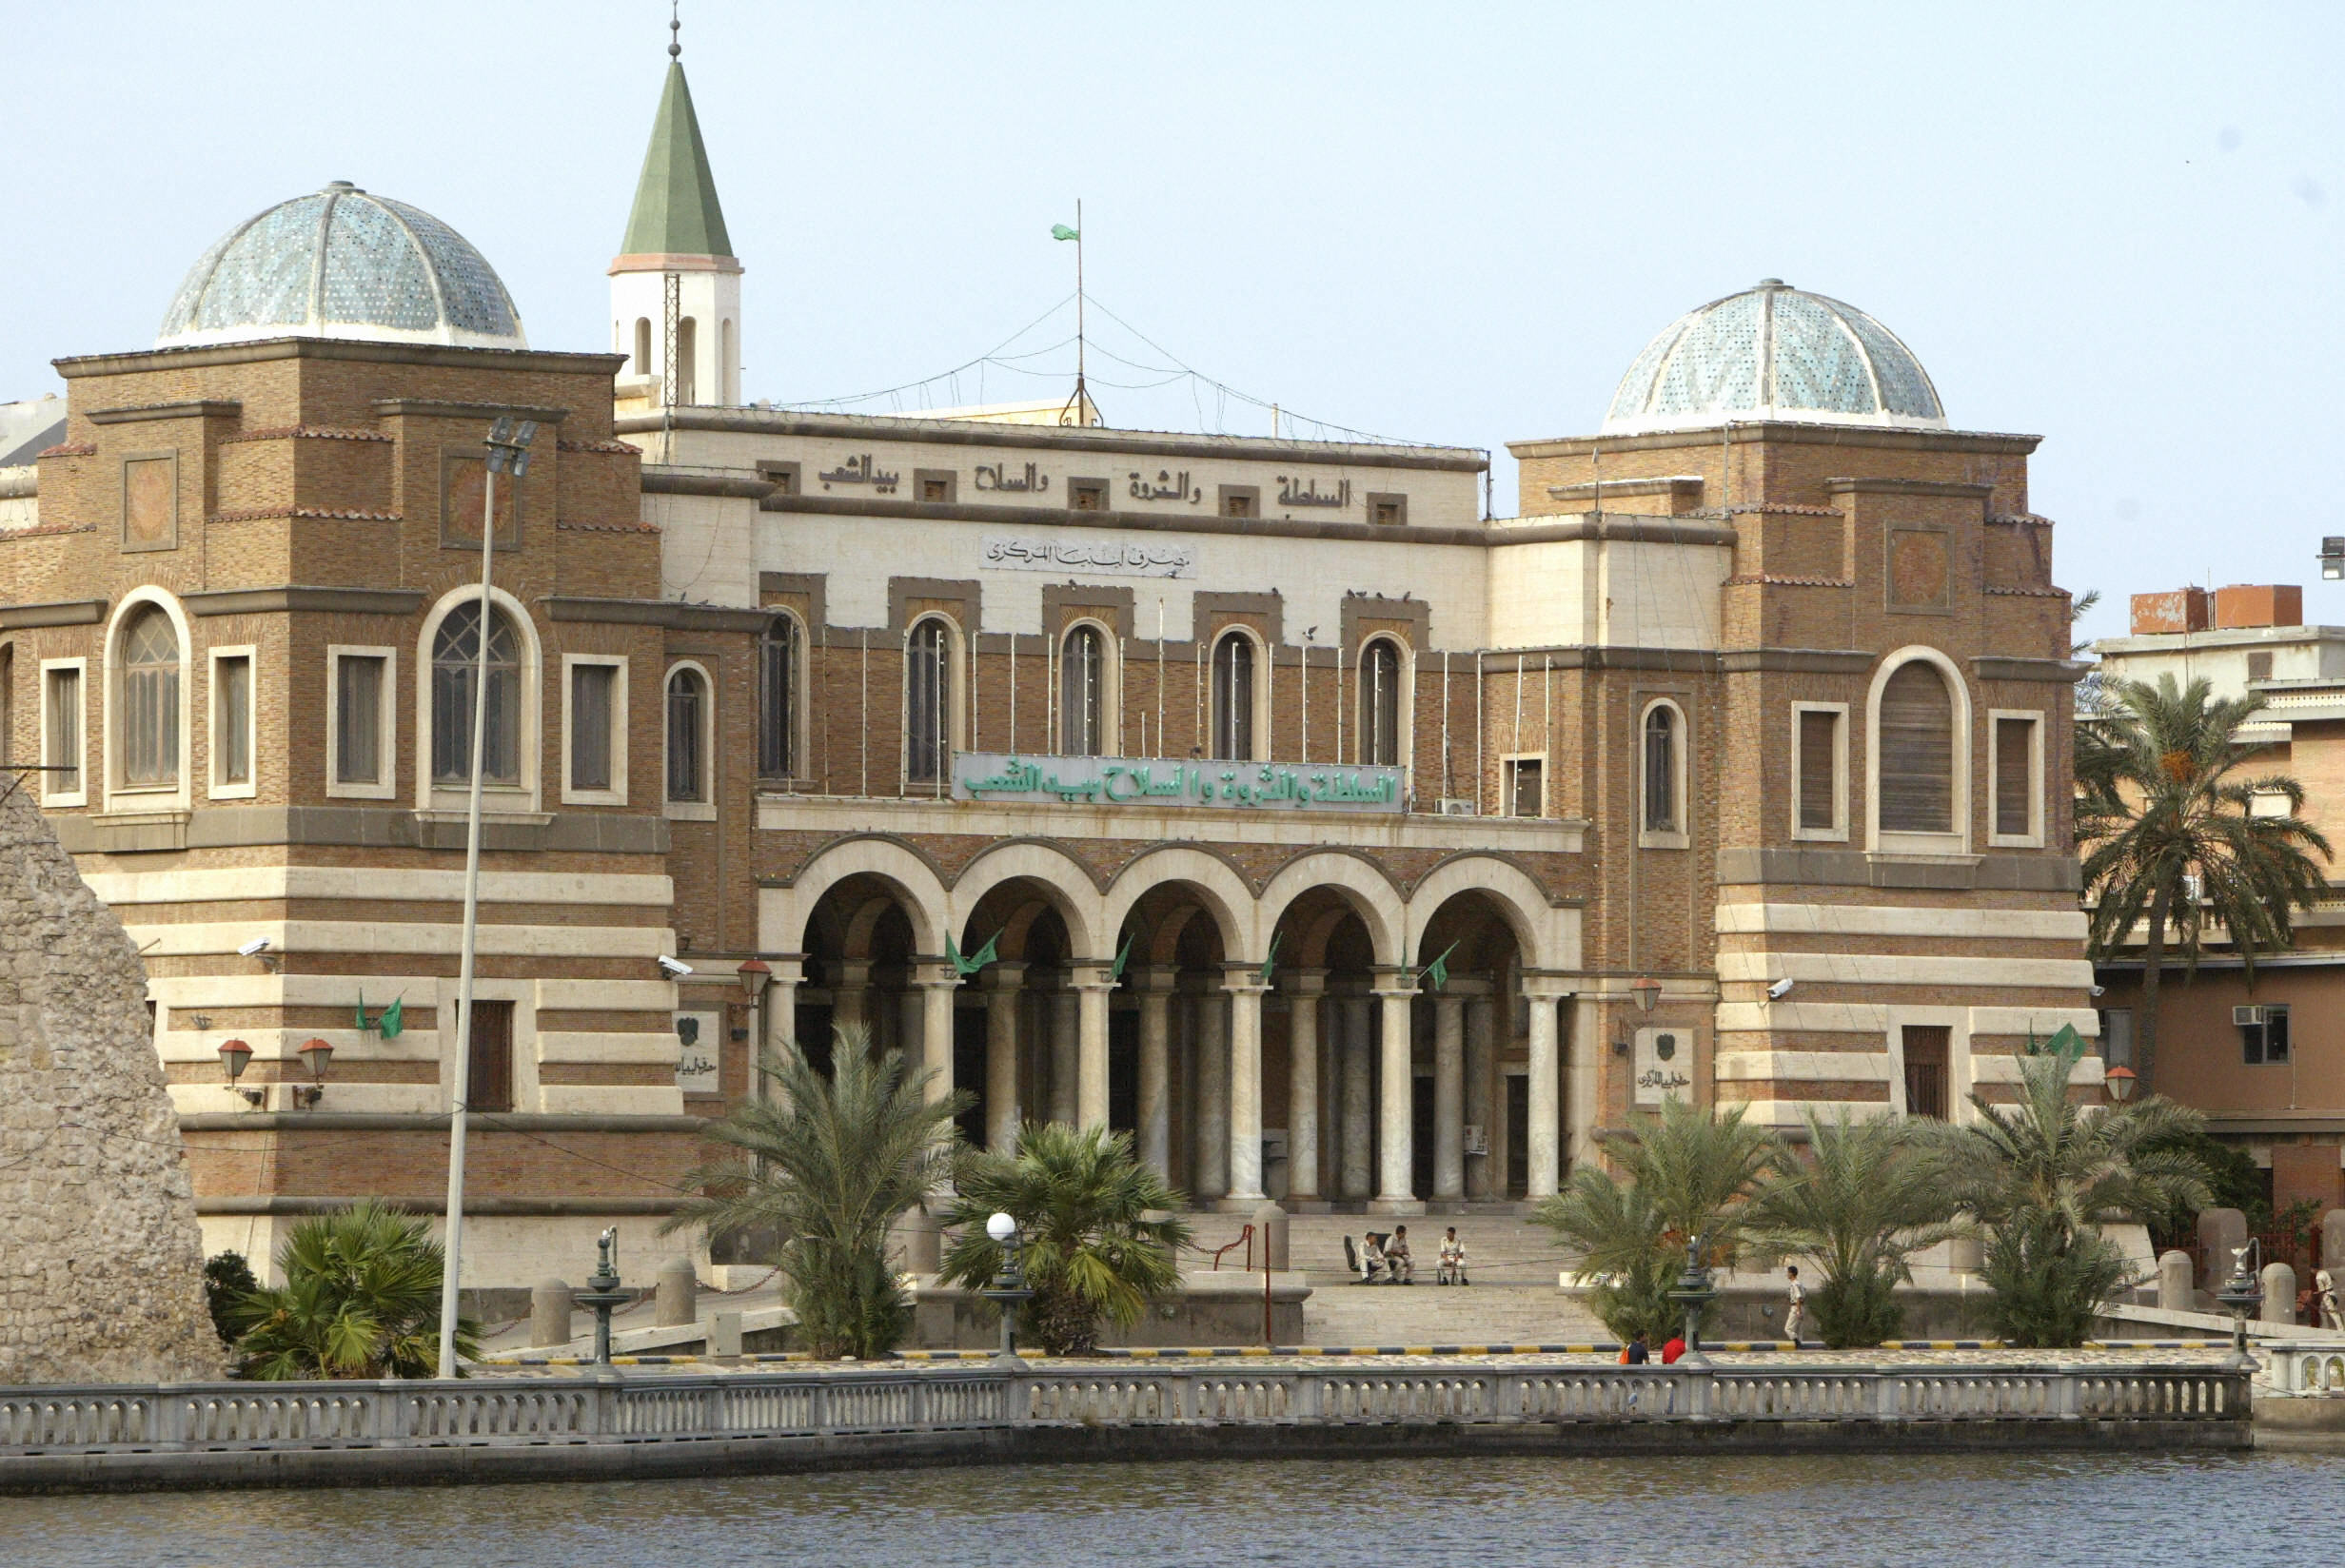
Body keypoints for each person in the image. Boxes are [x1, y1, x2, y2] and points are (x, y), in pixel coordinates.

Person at [1783, 1264, 1807, 1346]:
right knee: (1799, 1330)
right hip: (1801, 1306)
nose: (1787, 1274)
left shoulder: (1794, 1284)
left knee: (1788, 1329)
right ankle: (1799, 1344)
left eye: (1788, 1272)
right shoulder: (1800, 1284)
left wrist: (1798, 1310)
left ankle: (1797, 1342)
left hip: (1796, 1307)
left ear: (1792, 1273)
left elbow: (1798, 1297)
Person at [2317, 1267, 2342, 1332]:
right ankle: (2325, 1326)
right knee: (2323, 1310)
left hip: (2328, 1296)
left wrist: (2320, 1296)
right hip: (2333, 1294)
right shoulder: (2326, 1274)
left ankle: (2339, 1328)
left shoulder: (2320, 1278)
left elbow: (2322, 1290)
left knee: (2331, 1312)